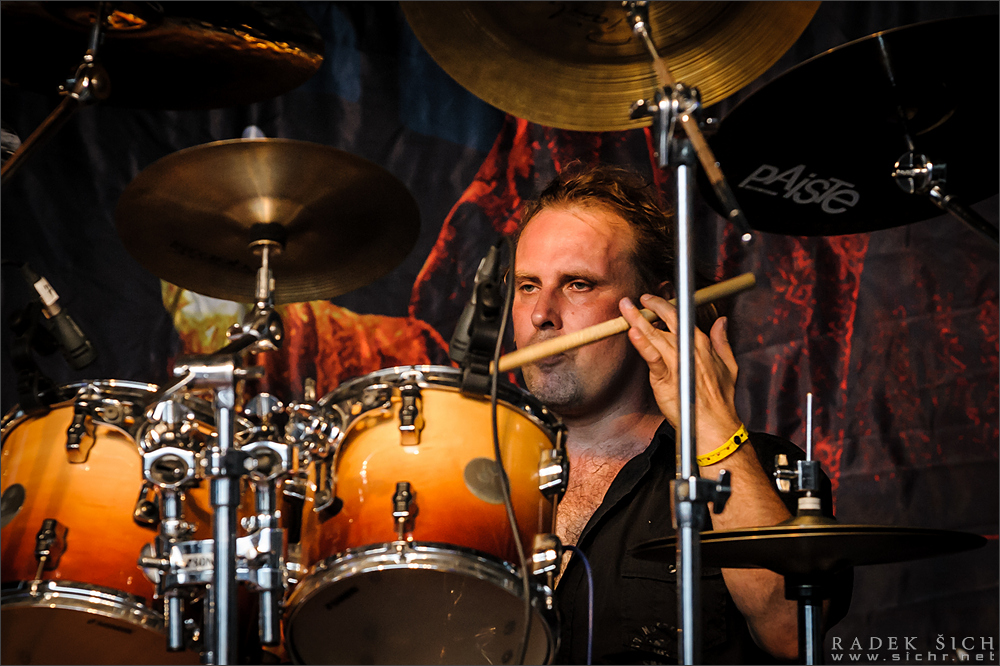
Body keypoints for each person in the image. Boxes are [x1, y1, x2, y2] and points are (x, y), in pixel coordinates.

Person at [509, 163, 849, 664]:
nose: (542, 314)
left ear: (658, 307)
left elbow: (791, 631)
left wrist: (712, 426)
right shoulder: (474, 472)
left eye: (578, 284)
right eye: (527, 285)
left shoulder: (762, 470)